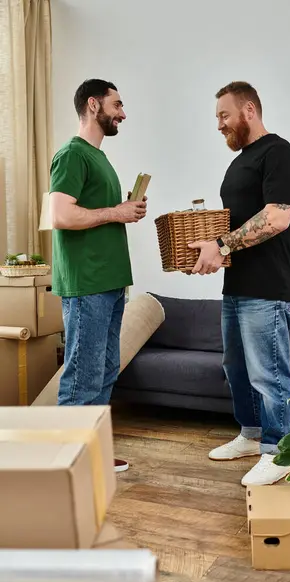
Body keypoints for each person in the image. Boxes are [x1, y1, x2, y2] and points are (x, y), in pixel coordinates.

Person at [189, 81, 290, 486]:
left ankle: (280, 451)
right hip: (237, 286)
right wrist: (207, 248)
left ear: (249, 110)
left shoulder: (279, 153)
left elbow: (278, 216)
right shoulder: (241, 160)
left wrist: (221, 244)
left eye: (224, 115)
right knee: (236, 367)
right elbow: (235, 223)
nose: (220, 125)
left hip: (268, 288)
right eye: (217, 118)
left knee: (269, 374)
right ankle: (253, 436)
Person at [49, 79, 147, 472]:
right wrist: (116, 213)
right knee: (82, 376)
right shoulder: (72, 155)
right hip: (86, 283)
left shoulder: (99, 157)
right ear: (93, 105)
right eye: (117, 104)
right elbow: (59, 214)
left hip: (109, 282)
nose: (122, 113)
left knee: (104, 371)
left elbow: (93, 212)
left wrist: (124, 208)